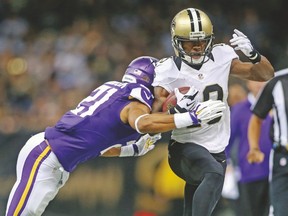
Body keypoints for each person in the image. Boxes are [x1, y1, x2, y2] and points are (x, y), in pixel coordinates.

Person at [5, 56, 226, 216]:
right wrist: (192, 118)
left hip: (56, 161)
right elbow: (142, 122)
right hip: (45, 154)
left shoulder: (120, 94)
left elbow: (105, 147)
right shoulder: (137, 98)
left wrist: (136, 148)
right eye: (162, 86)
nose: (166, 92)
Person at [151, 8, 274, 216]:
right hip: (185, 147)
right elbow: (154, 115)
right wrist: (177, 110)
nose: (198, 47)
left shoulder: (221, 56)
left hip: (217, 149)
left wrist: (254, 55)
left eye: (201, 41)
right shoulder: (168, 70)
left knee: (195, 205)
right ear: (177, 42)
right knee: (213, 174)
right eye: (190, 42)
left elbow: (265, 74)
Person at [226, 80, 272, 216]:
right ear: (247, 83)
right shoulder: (240, 109)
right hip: (251, 171)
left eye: (263, 79)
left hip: (277, 171)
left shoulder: (279, 105)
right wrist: (227, 163)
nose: (259, 84)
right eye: (255, 80)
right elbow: (227, 139)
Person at [247, 68, 288, 216]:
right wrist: (254, 148)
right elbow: (257, 118)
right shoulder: (277, 81)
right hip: (283, 157)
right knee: (280, 210)